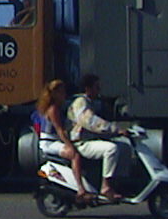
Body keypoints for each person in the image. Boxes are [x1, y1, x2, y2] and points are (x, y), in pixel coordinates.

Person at [68, 73, 133, 201]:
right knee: (111, 149)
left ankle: (117, 183)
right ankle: (106, 187)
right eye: (96, 87)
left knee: (124, 146)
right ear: (88, 88)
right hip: (81, 143)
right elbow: (91, 122)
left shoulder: (89, 102)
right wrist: (116, 129)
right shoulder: (80, 102)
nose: (99, 90)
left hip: (91, 140)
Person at [34, 79, 92, 203]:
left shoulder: (55, 107)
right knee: (74, 155)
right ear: (55, 93)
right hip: (49, 143)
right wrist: (69, 145)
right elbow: (60, 130)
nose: (64, 95)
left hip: (52, 140)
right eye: (62, 92)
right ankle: (81, 190)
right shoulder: (53, 109)